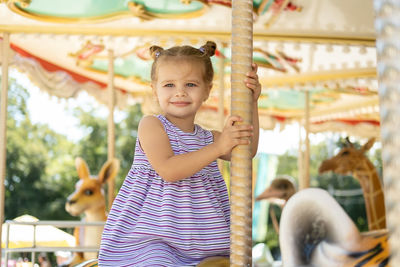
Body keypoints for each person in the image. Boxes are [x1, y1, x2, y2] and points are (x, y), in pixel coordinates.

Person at [98, 41, 261, 266]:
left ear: (207, 90)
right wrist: (218, 148)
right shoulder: (151, 125)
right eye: (169, 85)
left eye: (191, 84)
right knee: (156, 261)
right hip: (154, 239)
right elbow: (169, 170)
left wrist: (251, 102)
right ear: (154, 90)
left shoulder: (209, 138)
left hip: (207, 243)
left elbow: (248, 149)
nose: (180, 92)